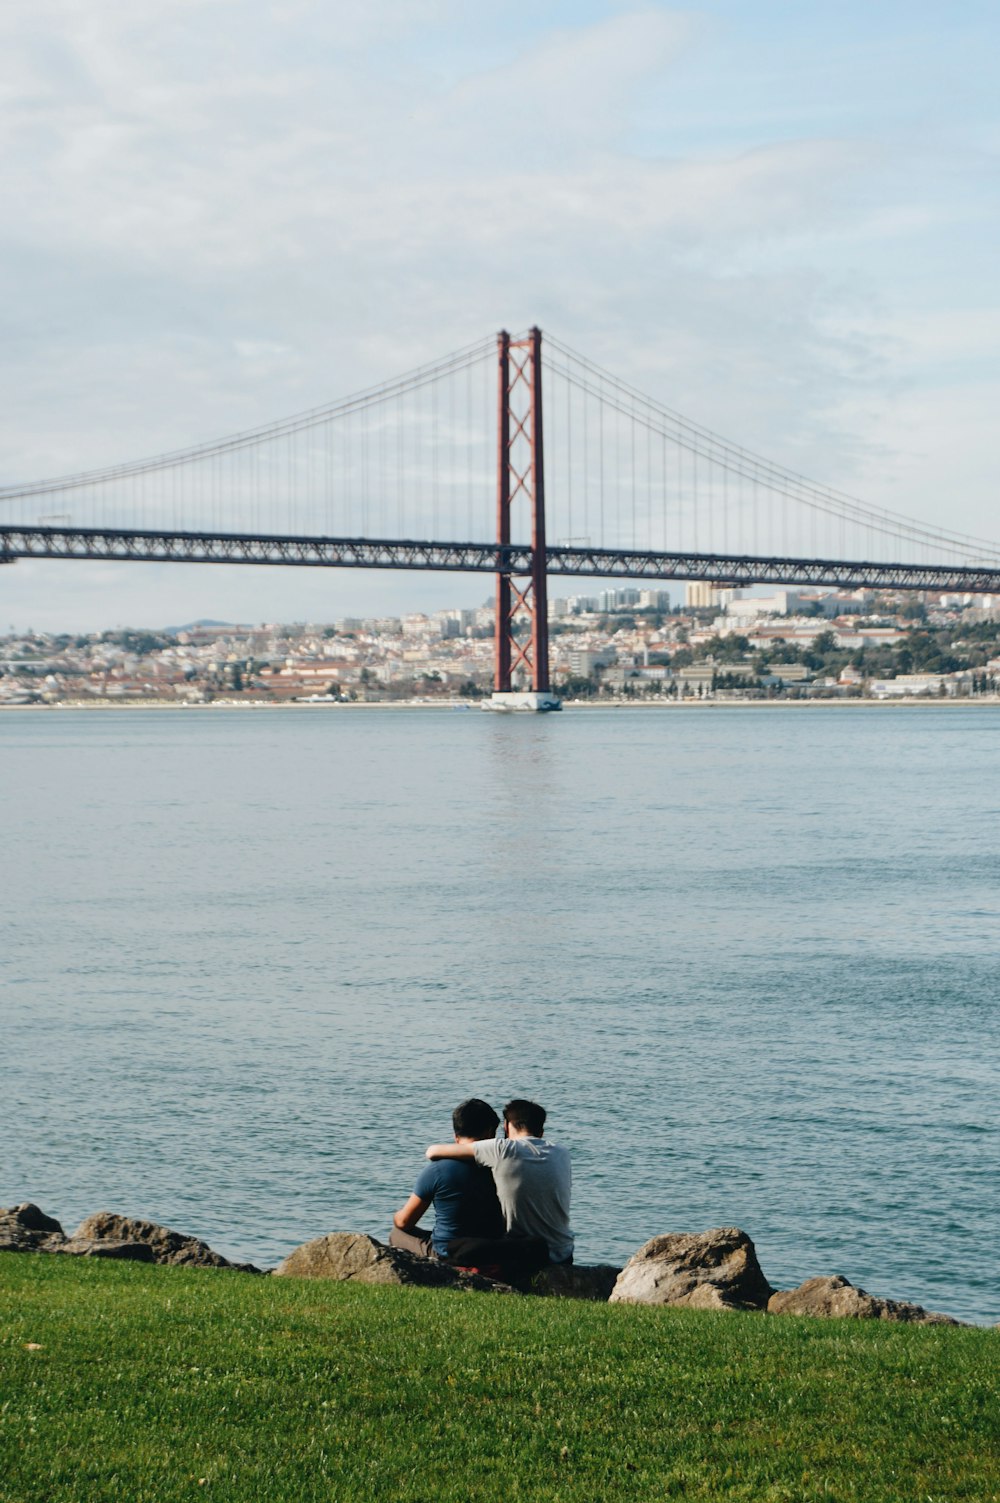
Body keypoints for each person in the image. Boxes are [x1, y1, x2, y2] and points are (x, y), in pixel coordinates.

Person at [425, 1098, 574, 1266]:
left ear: (507, 1126)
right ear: (541, 1131)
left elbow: (432, 1151)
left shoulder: (501, 1148)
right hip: (563, 1253)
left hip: (525, 1255)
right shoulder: (562, 1153)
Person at [390, 1098, 505, 1260]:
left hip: (449, 1253)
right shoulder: (504, 1167)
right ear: (489, 1133)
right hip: (492, 1251)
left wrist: (396, 1216)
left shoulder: (436, 1170)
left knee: (397, 1233)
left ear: (456, 1136)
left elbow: (404, 1222)